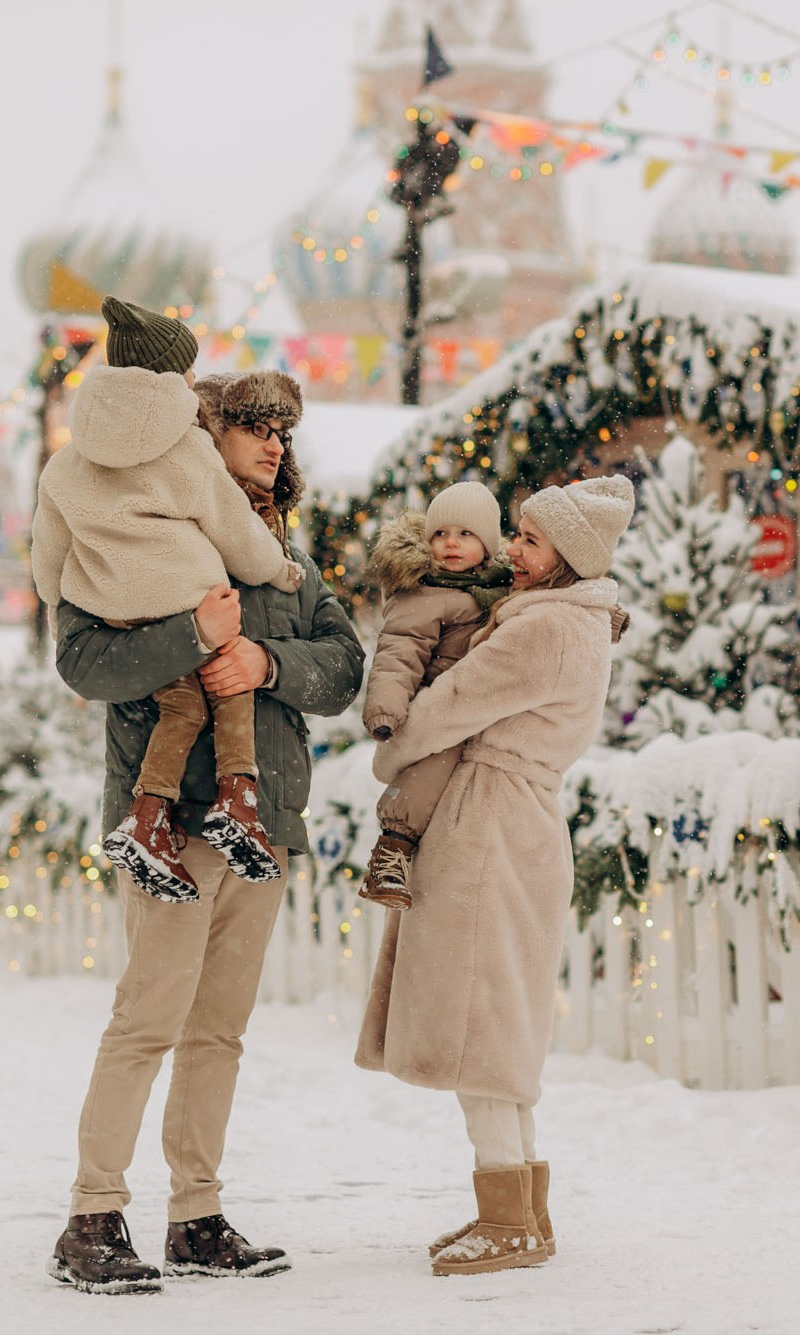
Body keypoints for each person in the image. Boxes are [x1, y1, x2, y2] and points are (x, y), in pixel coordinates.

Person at [46, 366, 364, 1296]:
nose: (274, 443)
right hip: (170, 823)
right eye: (254, 426)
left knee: (218, 1031)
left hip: (261, 824)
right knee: (148, 1018)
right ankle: (92, 1214)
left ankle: (196, 1215)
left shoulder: (283, 553)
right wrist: (192, 635)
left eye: (284, 431)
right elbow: (83, 659)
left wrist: (266, 660)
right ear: (202, 435)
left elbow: (345, 667)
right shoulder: (137, 531)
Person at [356, 474, 635, 1277]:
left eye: (530, 541)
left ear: (565, 559)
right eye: (514, 534)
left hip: (491, 820)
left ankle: (506, 1217)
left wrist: (393, 749)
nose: (512, 550)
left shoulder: (543, 627)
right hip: (520, 816)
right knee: (501, 1014)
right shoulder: (573, 621)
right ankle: (522, 1207)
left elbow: (451, 702)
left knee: (478, 1017)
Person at [31, 297, 304, 901]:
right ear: (173, 377)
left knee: (181, 708)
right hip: (187, 600)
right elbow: (235, 527)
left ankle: (148, 819)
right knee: (228, 690)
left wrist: (57, 605)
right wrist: (280, 571)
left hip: (114, 609)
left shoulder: (66, 463)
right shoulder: (186, 447)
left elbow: (47, 557)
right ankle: (239, 800)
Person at [358, 480, 513, 908]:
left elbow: (549, 607)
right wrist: (386, 709)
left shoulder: (504, 586)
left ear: (488, 543)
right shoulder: (422, 591)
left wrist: (599, 616)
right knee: (433, 766)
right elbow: (397, 653)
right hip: (438, 703)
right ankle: (393, 848)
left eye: (466, 534)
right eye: (440, 534)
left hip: (484, 706)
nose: (450, 544)